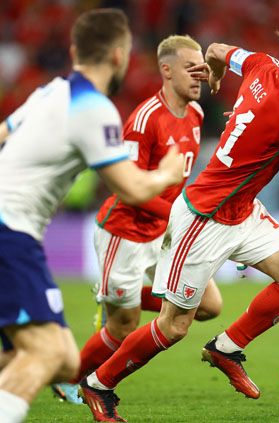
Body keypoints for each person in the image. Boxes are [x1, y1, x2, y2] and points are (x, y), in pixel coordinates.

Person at [0, 9, 185, 423]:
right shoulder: (95, 109)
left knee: (61, 361)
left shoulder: (51, 91)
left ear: (74, 51)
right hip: (2, 233)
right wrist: (168, 173)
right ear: (121, 56)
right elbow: (131, 189)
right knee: (48, 354)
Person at [78, 21, 279, 422]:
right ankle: (99, 384)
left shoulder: (259, 65)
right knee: (174, 326)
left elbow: (216, 49)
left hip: (244, 209)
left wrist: (222, 84)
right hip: (206, 218)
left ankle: (226, 348)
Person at [50, 34, 223, 403]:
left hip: (166, 233)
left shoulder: (196, 115)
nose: (200, 77)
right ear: (166, 70)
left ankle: (115, 297)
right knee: (123, 325)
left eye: (202, 70)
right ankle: (70, 378)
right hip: (125, 232)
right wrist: (183, 217)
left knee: (209, 306)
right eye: (191, 70)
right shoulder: (144, 120)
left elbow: (179, 182)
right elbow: (129, 189)